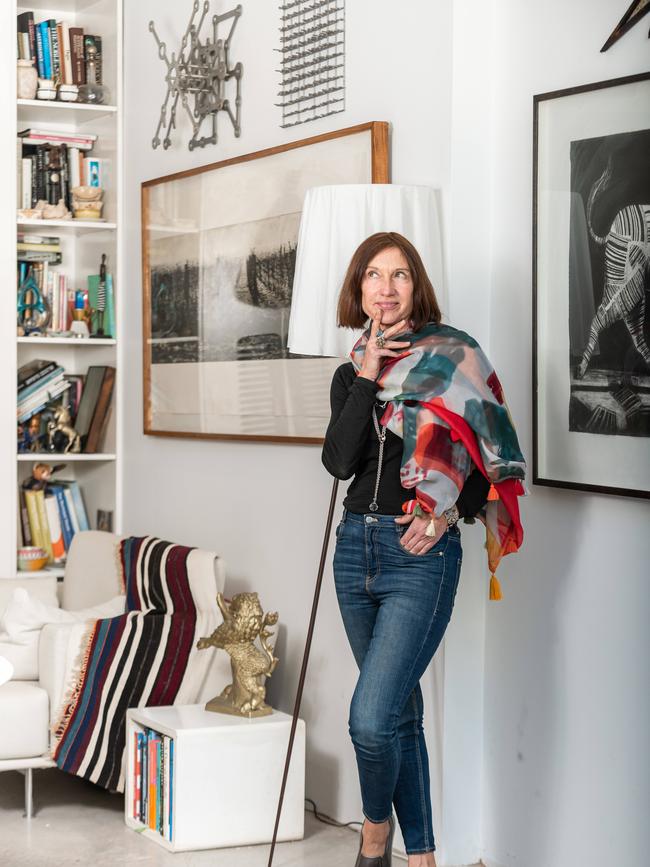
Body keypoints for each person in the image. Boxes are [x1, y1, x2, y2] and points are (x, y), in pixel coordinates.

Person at [322, 232, 525, 867]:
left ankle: (375, 831)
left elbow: (488, 460)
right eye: (374, 277)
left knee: (371, 719)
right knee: (400, 716)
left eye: (400, 276)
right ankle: (422, 858)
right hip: (355, 549)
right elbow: (339, 461)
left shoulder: (457, 358)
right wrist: (364, 376)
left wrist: (445, 513)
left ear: (418, 286)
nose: (386, 288)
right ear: (359, 290)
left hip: (420, 558)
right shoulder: (349, 369)